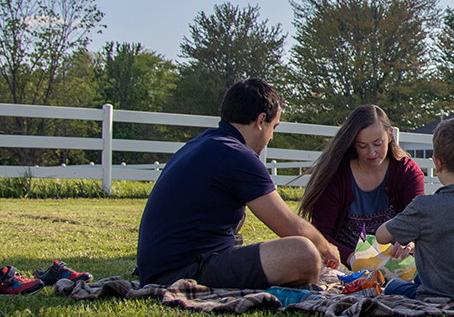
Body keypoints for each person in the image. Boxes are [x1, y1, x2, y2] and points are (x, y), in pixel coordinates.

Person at [136, 79, 339, 289]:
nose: (270, 138)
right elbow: (289, 225)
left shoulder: (203, 143)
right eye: (273, 127)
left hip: (166, 266)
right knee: (303, 252)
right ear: (261, 121)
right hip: (182, 271)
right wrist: (326, 247)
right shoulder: (236, 156)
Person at [375, 116, 454, 300]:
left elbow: (381, 236)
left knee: (394, 285)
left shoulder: (422, 206)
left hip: (435, 293)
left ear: (437, 163)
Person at [298, 105, 424, 267]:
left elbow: (419, 222)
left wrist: (409, 242)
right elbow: (320, 234)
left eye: (378, 143)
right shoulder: (336, 175)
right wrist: (352, 259)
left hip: (397, 265)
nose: (371, 153)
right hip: (343, 265)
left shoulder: (407, 172)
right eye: (362, 146)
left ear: (390, 135)